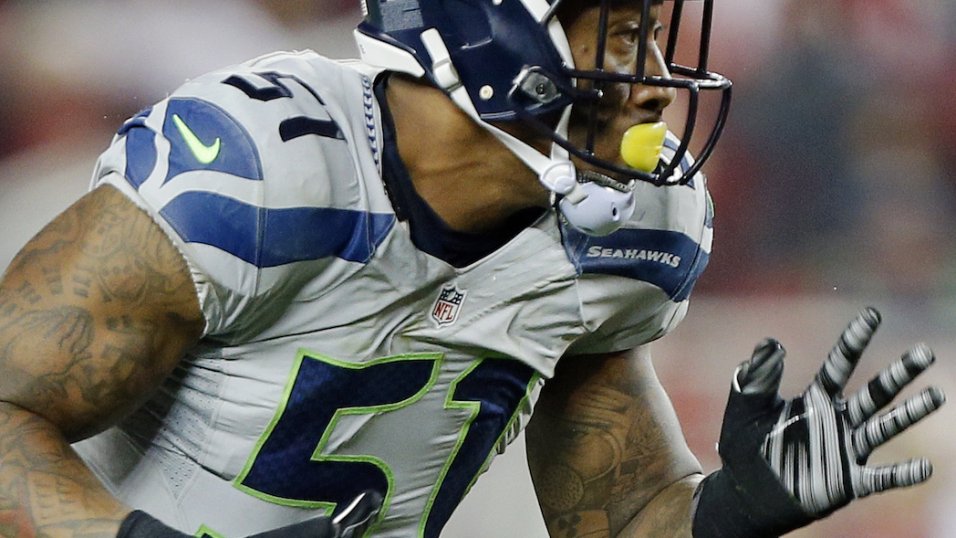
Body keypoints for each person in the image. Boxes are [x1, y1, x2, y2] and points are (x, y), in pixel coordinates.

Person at [0, 0, 944, 537]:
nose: (657, 79)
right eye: (623, 38)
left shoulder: (623, 221)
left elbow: (619, 515)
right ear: (496, 36)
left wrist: (726, 516)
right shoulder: (262, 166)